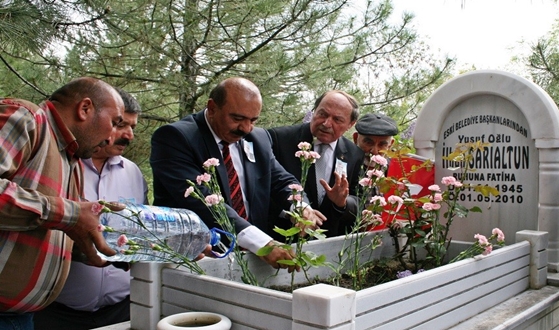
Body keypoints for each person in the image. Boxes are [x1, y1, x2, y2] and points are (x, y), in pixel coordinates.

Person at [151, 77, 324, 272]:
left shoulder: (258, 138)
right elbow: (203, 201)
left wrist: (299, 206)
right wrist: (263, 244)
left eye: (253, 120)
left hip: (251, 261)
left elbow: (280, 179)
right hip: (195, 260)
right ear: (212, 107)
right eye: (237, 118)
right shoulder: (176, 138)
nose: (246, 129)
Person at [0, 77, 124, 328]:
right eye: (113, 123)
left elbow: (51, 225)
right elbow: (65, 215)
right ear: (85, 108)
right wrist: (72, 214)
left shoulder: (72, 160)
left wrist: (106, 248)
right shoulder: (26, 119)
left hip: (21, 318)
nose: (111, 138)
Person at [33, 88, 147, 329]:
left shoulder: (134, 173)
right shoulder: (61, 162)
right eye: (120, 124)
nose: (128, 135)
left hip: (122, 310)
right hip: (57, 312)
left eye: (133, 127)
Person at [268, 90, 365, 238]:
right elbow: (262, 189)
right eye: (322, 114)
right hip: (281, 237)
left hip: (327, 241)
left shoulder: (354, 154)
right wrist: (292, 213)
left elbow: (360, 200)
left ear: (351, 124)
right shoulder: (279, 139)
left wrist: (343, 202)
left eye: (337, 120)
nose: (326, 124)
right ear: (314, 111)